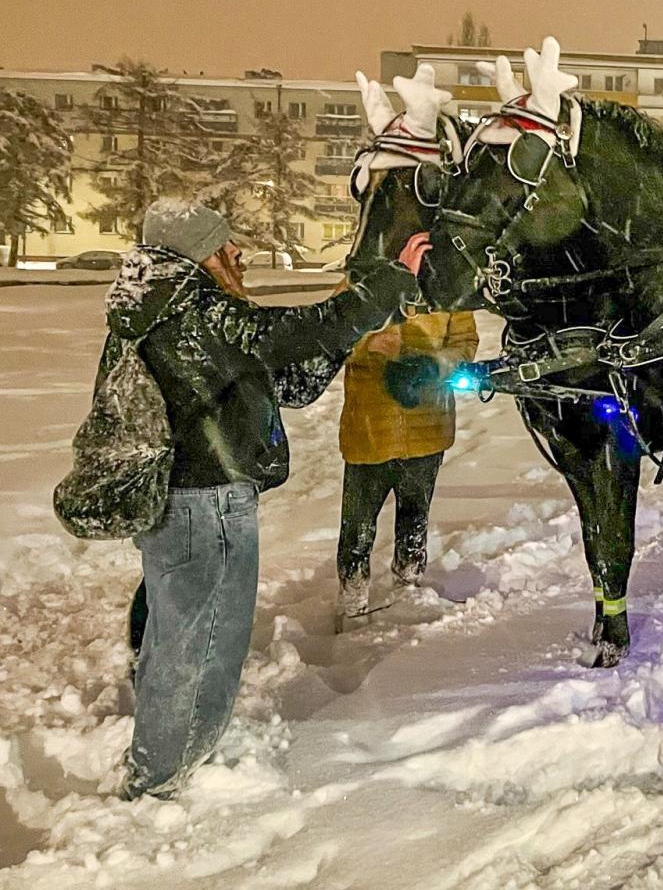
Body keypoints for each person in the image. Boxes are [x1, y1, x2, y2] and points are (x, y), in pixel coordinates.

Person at [107, 198, 429, 799]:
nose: (239, 257)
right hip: (203, 500)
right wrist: (387, 283)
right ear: (198, 254)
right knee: (201, 644)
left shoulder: (167, 308)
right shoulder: (190, 310)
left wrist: (346, 329)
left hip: (189, 497)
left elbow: (287, 377)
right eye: (226, 247)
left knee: (181, 636)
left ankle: (171, 760)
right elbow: (287, 333)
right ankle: (158, 781)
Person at [335, 306, 478, 626]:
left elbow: (466, 341)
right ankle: (352, 603)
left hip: (427, 428)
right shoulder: (365, 283)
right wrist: (368, 345)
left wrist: (435, 364)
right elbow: (332, 338)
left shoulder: (447, 289)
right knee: (357, 525)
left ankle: (408, 585)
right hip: (370, 430)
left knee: (415, 516)